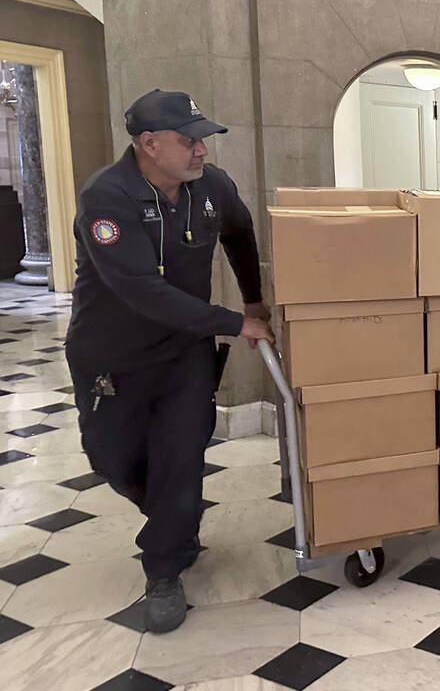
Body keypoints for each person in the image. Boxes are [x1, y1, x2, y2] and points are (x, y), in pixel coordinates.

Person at [65, 89, 274, 633]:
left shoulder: (212, 188)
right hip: (111, 358)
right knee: (115, 460)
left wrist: (253, 299)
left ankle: (164, 568)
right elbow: (140, 290)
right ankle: (170, 516)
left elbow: (241, 233)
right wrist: (234, 322)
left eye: (203, 139)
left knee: (180, 457)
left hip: (184, 355)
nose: (201, 151)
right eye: (190, 141)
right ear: (149, 143)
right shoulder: (106, 197)